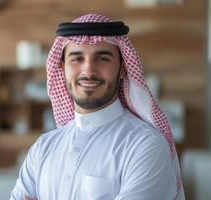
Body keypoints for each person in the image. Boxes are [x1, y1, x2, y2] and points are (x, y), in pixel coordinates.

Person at [10, 13, 185, 200]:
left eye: (102, 58)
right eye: (77, 59)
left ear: (123, 68)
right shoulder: (43, 148)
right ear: (62, 68)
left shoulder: (145, 145)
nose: (88, 71)